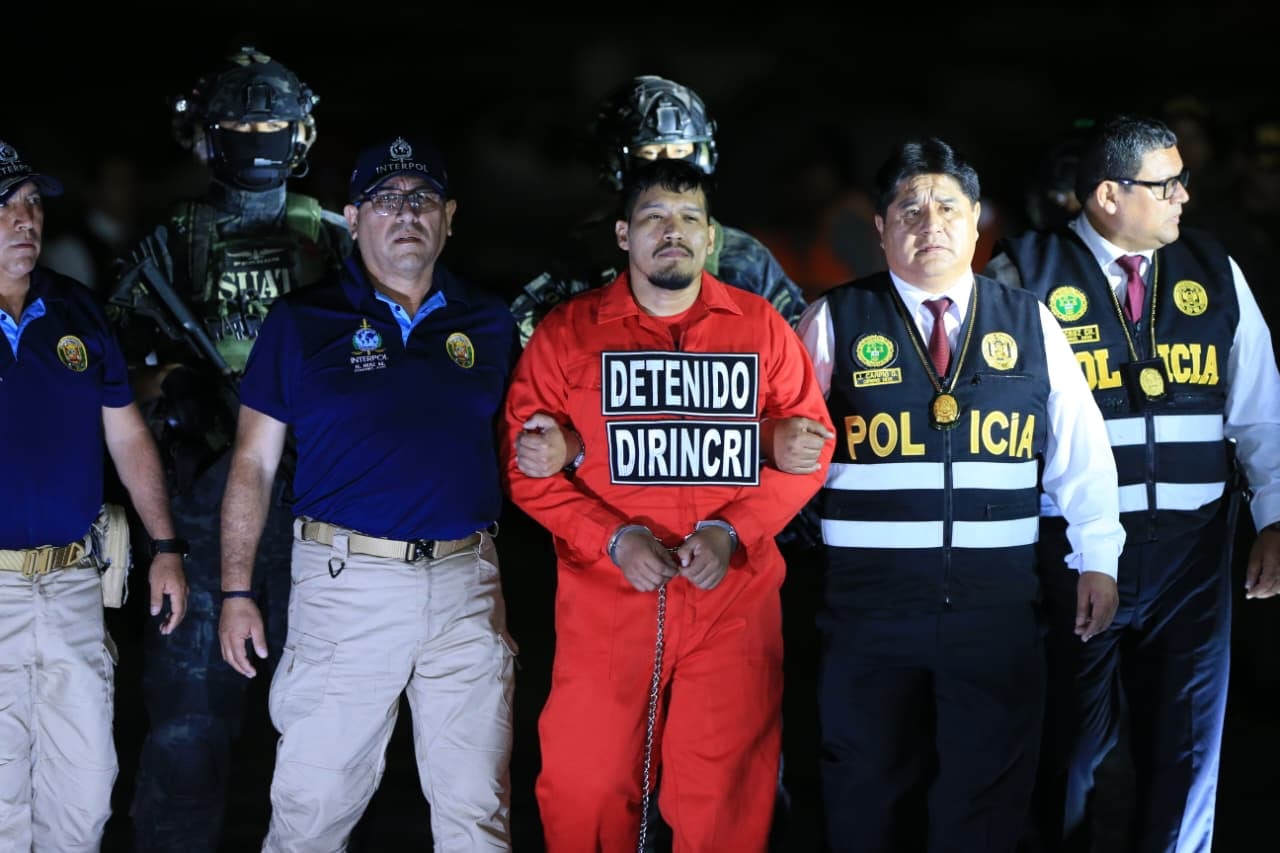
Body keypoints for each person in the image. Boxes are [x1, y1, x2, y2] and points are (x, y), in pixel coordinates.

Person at [788, 137, 1125, 853]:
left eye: (947, 206)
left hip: (994, 610)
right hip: (865, 612)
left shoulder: (1030, 321)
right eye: (908, 208)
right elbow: (780, 458)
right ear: (880, 229)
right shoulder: (831, 321)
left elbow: (1081, 450)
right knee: (863, 790)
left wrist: (1100, 554)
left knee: (986, 797)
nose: (928, 222)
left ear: (979, 221)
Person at [502, 156, 832, 852]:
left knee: (725, 801)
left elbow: (811, 448)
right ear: (623, 234)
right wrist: (611, 539)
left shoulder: (763, 328)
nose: (672, 232)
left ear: (712, 237)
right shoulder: (569, 332)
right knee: (584, 788)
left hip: (731, 602)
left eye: (689, 219)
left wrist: (730, 532)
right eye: (655, 217)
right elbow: (525, 468)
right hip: (607, 602)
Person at [984, 113, 1280, 853]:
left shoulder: (1215, 270)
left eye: (1182, 179)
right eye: (1166, 183)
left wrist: (1274, 515)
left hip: (1193, 554)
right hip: (1069, 554)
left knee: (1186, 754)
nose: (1185, 195)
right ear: (1109, 195)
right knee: (1067, 753)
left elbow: (1261, 412)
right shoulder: (1023, 273)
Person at [217, 132, 518, 850]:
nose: (404, 213)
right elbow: (253, 464)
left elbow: (524, 443)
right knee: (312, 810)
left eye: (421, 199)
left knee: (478, 812)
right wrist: (235, 590)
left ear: (449, 215)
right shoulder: (301, 321)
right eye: (385, 199)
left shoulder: (490, 322)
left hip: (467, 581)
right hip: (345, 587)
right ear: (353, 218)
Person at [106, 45, 352, 851]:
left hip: (324, 517)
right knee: (186, 738)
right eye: (239, 123)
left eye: (270, 124)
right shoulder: (173, 242)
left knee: (326, 747)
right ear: (206, 136)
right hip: (203, 513)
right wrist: (171, 383)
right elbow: (103, 380)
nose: (255, 137)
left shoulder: (339, 239)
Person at [0, 140, 188, 851]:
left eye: (33, 204)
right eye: (8, 206)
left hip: (76, 584)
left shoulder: (74, 309)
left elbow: (128, 436)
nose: (27, 219)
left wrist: (166, 546)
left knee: (83, 803)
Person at [510, 73, 807, 346]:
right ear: (615, 165)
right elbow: (528, 352)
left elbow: (798, 355)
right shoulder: (583, 256)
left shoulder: (743, 258)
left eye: (680, 152)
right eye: (649, 154)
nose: (668, 169)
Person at [42, 151, 143, 295]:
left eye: (131, 181)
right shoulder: (69, 249)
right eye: (117, 182)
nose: (128, 189)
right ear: (93, 190)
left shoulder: (143, 239)